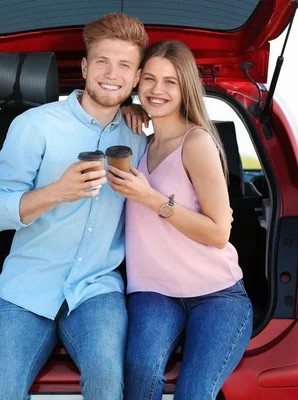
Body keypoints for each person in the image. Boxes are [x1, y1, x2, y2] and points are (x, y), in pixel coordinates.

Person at [0, 13, 148, 400]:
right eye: (103, 61)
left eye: (125, 65)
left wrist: (138, 111)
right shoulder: (34, 125)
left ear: (136, 78)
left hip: (96, 288)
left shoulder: (140, 137)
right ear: (86, 67)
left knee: (108, 384)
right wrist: (57, 191)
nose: (112, 73)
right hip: (24, 290)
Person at [107, 40, 253, 400]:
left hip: (216, 294)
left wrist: (151, 198)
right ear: (138, 82)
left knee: (194, 392)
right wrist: (126, 108)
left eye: (170, 82)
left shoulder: (197, 142)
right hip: (154, 292)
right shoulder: (139, 143)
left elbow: (219, 232)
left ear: (185, 86)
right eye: (151, 79)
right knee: (140, 377)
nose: (158, 90)